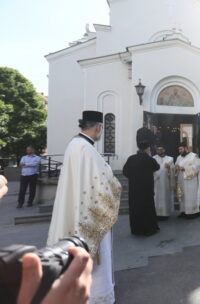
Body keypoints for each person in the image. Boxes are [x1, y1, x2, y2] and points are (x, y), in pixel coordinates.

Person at [47, 110, 121, 304]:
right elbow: (102, 182)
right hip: (91, 214)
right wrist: (116, 185)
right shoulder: (87, 150)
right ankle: (98, 296)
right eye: (101, 129)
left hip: (76, 208)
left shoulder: (74, 144)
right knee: (98, 259)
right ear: (98, 127)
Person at [123, 142, 160, 236]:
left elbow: (125, 172)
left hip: (134, 190)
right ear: (147, 149)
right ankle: (149, 229)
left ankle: (136, 230)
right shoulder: (149, 159)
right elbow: (157, 167)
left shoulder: (131, 158)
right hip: (146, 190)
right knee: (147, 208)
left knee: (135, 209)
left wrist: (133, 177)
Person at [175, 142, 200, 218]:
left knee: (190, 196)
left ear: (186, 148)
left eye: (181, 149)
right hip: (181, 180)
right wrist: (176, 168)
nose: (180, 151)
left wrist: (185, 169)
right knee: (183, 196)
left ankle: (192, 212)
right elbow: (176, 167)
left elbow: (196, 168)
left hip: (191, 181)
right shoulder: (179, 157)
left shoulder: (194, 156)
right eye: (179, 149)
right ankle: (183, 211)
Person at [152, 145, 176, 218]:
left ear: (164, 150)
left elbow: (174, 170)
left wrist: (170, 168)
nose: (159, 151)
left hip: (166, 182)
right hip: (156, 182)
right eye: (158, 150)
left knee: (166, 197)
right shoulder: (153, 158)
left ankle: (165, 214)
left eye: (161, 149)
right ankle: (156, 214)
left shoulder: (170, 159)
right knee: (156, 197)